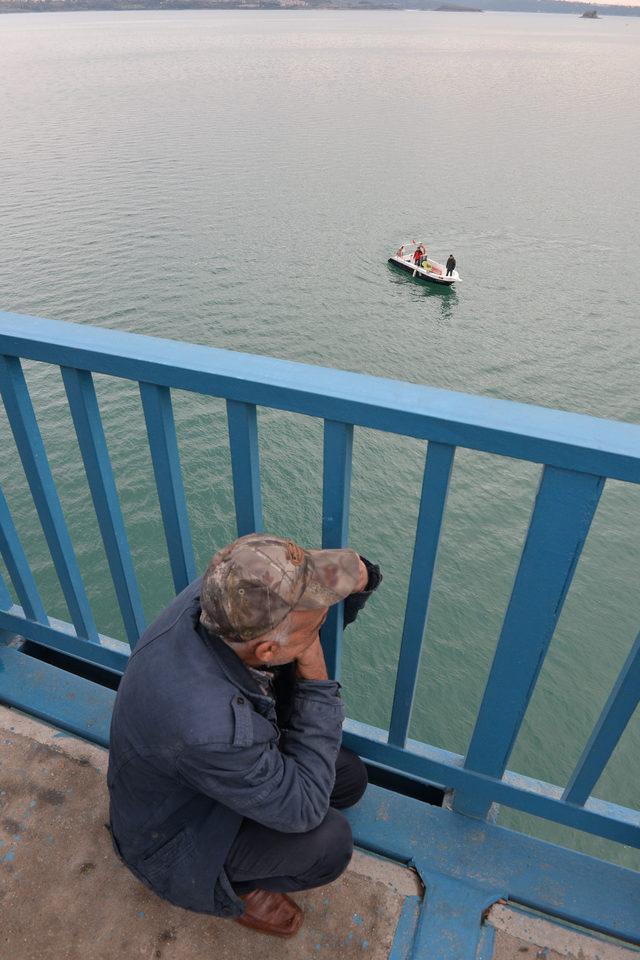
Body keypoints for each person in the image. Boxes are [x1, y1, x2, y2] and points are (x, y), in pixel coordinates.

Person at [108, 533, 382, 938]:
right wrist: (315, 676)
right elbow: (304, 808)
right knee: (329, 843)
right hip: (174, 831)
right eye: (315, 627)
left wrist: (357, 574)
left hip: (207, 769)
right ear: (268, 652)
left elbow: (312, 574)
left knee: (349, 780)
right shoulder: (209, 727)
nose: (322, 622)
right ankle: (235, 888)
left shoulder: (228, 592)